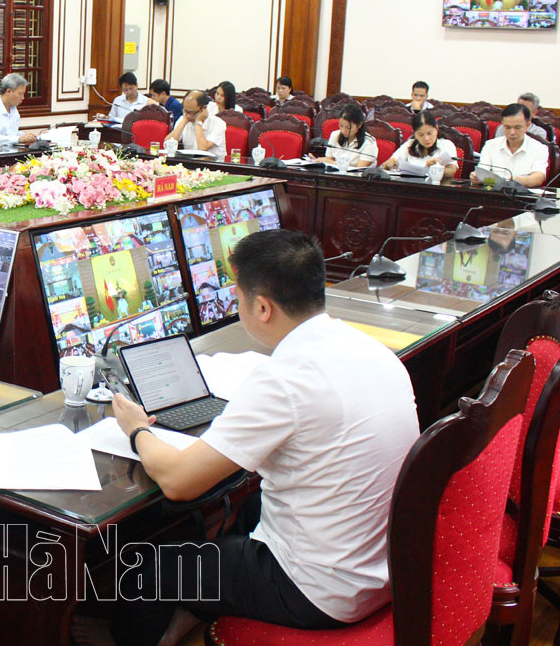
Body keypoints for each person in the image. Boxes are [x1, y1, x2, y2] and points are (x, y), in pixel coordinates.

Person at [99, 230, 418, 646]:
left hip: (320, 591)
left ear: (263, 307)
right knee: (243, 510)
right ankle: (182, 622)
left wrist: (137, 428)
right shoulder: (372, 350)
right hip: (384, 569)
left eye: (238, 298)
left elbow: (178, 481)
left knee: (147, 570)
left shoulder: (284, 379)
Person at [473, 103, 549, 188]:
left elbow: (539, 177)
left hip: (522, 193)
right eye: (507, 127)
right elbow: (483, 171)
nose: (512, 132)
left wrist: (522, 181)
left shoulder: (539, 148)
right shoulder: (490, 145)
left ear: (527, 125)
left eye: (517, 127)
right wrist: (477, 177)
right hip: (493, 192)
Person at [382, 111, 458, 179]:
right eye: (420, 135)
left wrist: (433, 169)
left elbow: (451, 171)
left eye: (430, 133)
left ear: (436, 129)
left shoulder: (446, 145)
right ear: (414, 133)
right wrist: (389, 165)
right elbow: (388, 164)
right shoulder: (409, 144)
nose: (426, 138)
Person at [0, 74, 37, 145]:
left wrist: (30, 136)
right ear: (8, 91)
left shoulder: (13, 109)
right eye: (20, 94)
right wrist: (18, 139)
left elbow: (12, 134)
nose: (22, 98)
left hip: (11, 149)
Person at [166, 91, 225, 160]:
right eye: (186, 111)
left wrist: (198, 122)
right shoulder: (184, 118)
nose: (188, 115)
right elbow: (167, 143)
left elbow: (203, 148)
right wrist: (184, 121)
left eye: (192, 112)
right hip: (190, 162)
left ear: (204, 108)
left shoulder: (218, 123)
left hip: (213, 164)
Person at [318, 103, 377, 168]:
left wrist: (333, 163)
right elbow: (328, 160)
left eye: (348, 127)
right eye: (341, 126)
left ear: (359, 125)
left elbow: (359, 170)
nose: (343, 131)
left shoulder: (369, 142)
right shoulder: (335, 135)